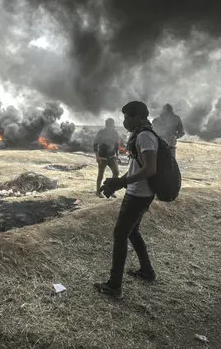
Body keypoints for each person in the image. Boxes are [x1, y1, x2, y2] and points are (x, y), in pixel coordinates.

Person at [94, 101, 158, 299]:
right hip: (138, 192)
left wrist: (121, 182)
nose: (124, 121)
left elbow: (150, 168)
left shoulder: (146, 136)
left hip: (138, 194)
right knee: (133, 232)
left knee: (120, 235)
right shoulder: (140, 134)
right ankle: (147, 271)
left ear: (138, 116)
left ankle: (114, 286)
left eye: (127, 117)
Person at [93, 118, 120, 198]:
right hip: (102, 157)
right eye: (110, 125)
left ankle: (111, 190)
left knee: (116, 172)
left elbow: (116, 145)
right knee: (100, 175)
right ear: (106, 125)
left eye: (112, 125)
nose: (111, 127)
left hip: (112, 157)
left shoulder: (115, 133)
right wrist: (97, 156)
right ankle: (98, 191)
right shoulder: (101, 132)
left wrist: (117, 156)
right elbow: (95, 144)